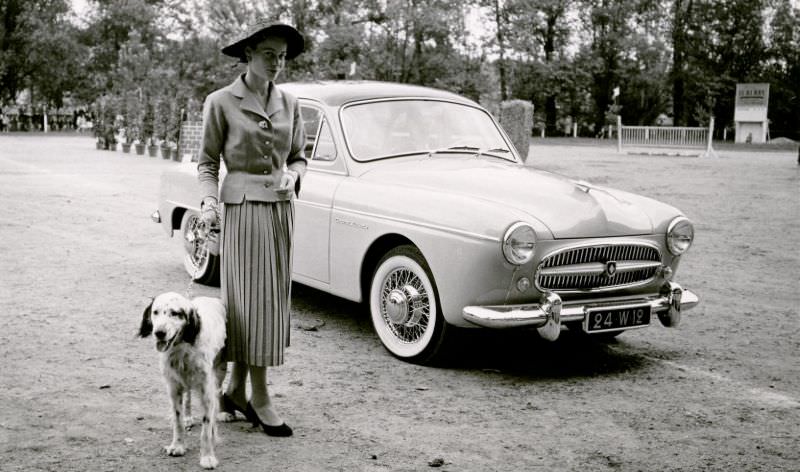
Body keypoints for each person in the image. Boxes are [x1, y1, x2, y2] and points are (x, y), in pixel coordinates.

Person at [197, 20, 307, 437]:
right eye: (268, 55)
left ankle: (235, 390)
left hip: (280, 212)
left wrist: (293, 175)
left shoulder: (290, 103)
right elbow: (207, 163)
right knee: (248, 305)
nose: (277, 63)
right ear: (248, 54)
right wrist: (209, 203)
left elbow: (298, 157)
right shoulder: (221, 102)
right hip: (241, 213)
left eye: (282, 56)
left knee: (270, 304)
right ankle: (260, 397)